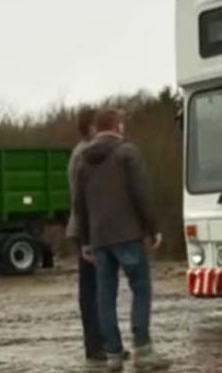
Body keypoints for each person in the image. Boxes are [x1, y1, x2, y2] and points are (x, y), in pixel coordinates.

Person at [74, 108, 169, 371]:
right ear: (117, 126)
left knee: (105, 296)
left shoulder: (83, 159)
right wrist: (154, 228)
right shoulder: (128, 153)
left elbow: (79, 204)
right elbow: (141, 192)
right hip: (128, 234)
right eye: (122, 124)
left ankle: (114, 355)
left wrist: (85, 241)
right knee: (141, 289)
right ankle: (143, 351)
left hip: (99, 238)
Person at [66, 106, 105, 369]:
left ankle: (100, 344)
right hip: (87, 228)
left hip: (86, 227)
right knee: (91, 290)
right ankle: (96, 347)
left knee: (94, 289)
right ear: (92, 128)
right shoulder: (86, 154)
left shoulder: (80, 152)